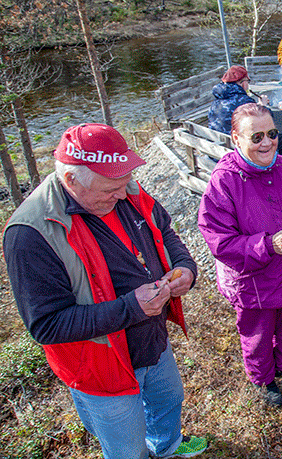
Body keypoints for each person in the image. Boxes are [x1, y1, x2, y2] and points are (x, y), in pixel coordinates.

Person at [3, 123, 207, 459]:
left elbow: (164, 231)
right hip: (99, 366)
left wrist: (185, 266)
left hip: (151, 342)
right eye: (109, 189)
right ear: (71, 180)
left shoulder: (123, 187)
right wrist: (132, 308)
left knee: (169, 399)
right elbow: (47, 326)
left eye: (124, 182)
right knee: (126, 445)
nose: (122, 193)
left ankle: (168, 446)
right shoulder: (30, 234)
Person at [198, 103, 282, 407]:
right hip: (251, 280)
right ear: (236, 139)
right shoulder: (224, 181)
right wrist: (268, 245)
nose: (267, 142)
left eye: (271, 133)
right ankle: (261, 378)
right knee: (257, 333)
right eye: (256, 137)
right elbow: (219, 241)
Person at [208, 65, 282, 156]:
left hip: (215, 149)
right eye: (248, 81)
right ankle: (272, 167)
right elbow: (264, 119)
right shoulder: (244, 101)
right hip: (236, 150)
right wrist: (263, 106)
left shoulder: (216, 100)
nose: (248, 84)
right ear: (243, 83)